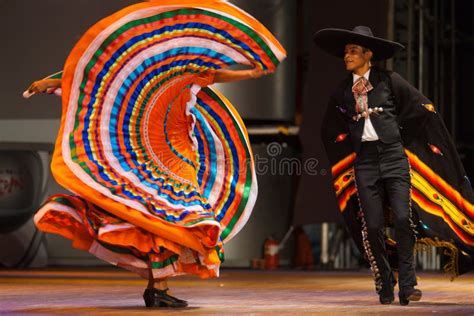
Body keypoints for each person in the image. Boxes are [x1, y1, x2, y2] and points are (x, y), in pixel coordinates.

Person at [26, 0, 286, 308]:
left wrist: (252, 71)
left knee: (166, 220)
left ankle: (158, 286)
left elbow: (216, 75)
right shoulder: (157, 76)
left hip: (179, 153)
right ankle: (158, 286)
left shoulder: (183, 75)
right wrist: (52, 83)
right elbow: (98, 75)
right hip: (159, 155)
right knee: (171, 219)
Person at [314, 26, 422, 305]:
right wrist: (349, 148)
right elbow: (328, 128)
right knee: (372, 226)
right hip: (365, 162)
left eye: (352, 51)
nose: (346, 56)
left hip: (394, 157)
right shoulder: (341, 91)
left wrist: (400, 140)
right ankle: (385, 280)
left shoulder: (389, 81)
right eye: (346, 52)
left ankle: (408, 284)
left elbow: (417, 109)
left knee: (401, 218)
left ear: (367, 54)